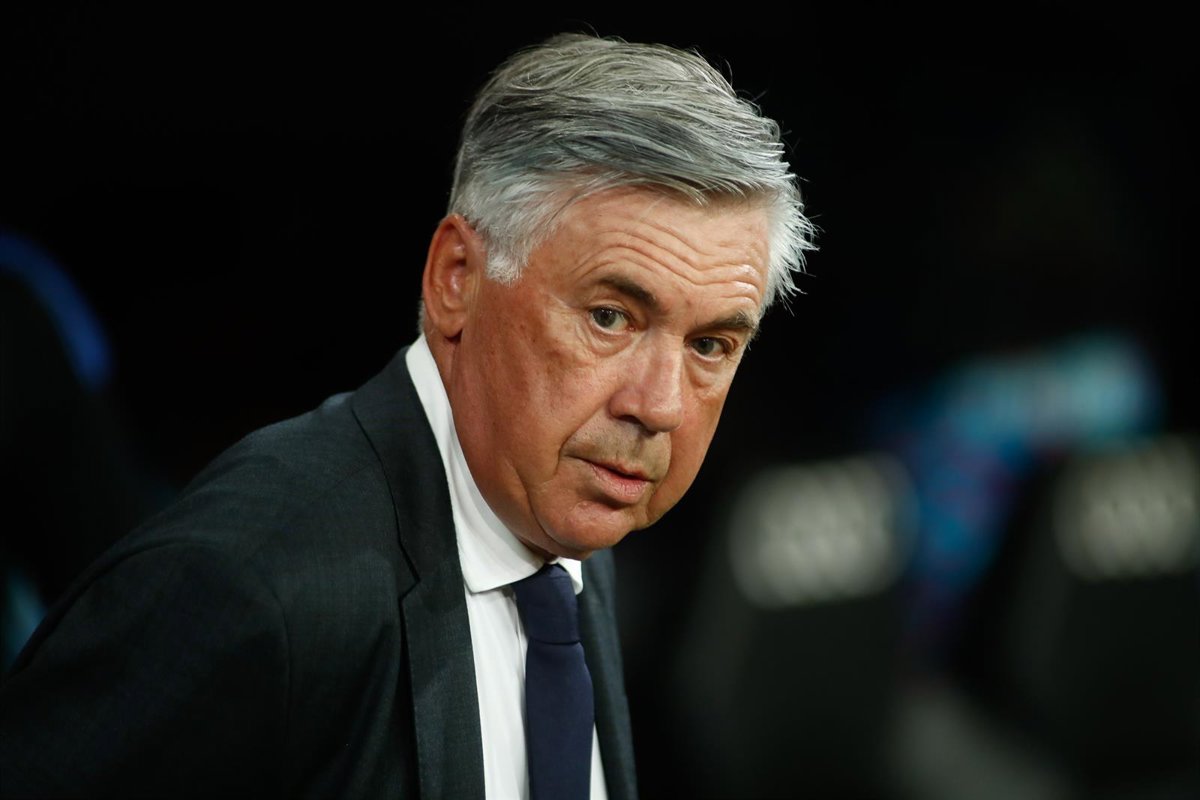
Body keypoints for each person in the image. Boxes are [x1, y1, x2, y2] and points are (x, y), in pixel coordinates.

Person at [0, 32, 815, 798]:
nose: (660, 405)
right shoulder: (251, 586)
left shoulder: (565, 515)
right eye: (609, 317)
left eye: (711, 344)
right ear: (458, 277)